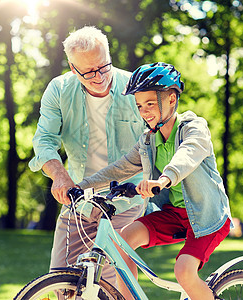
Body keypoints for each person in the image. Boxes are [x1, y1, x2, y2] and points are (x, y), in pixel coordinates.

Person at [78, 62, 233, 300]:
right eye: (140, 105)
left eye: (150, 103)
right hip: (175, 214)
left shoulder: (194, 128)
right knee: (122, 243)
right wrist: (82, 186)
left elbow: (187, 155)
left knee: (184, 271)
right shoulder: (148, 141)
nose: (144, 111)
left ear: (172, 99)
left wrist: (164, 179)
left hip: (207, 215)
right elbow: (120, 168)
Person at [28, 26, 146, 287]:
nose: (99, 76)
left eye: (104, 66)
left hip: (125, 200)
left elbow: (158, 139)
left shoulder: (136, 90)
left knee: (109, 283)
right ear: (73, 67)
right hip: (79, 198)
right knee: (59, 282)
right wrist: (59, 175)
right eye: (89, 71)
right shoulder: (59, 90)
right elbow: (44, 139)